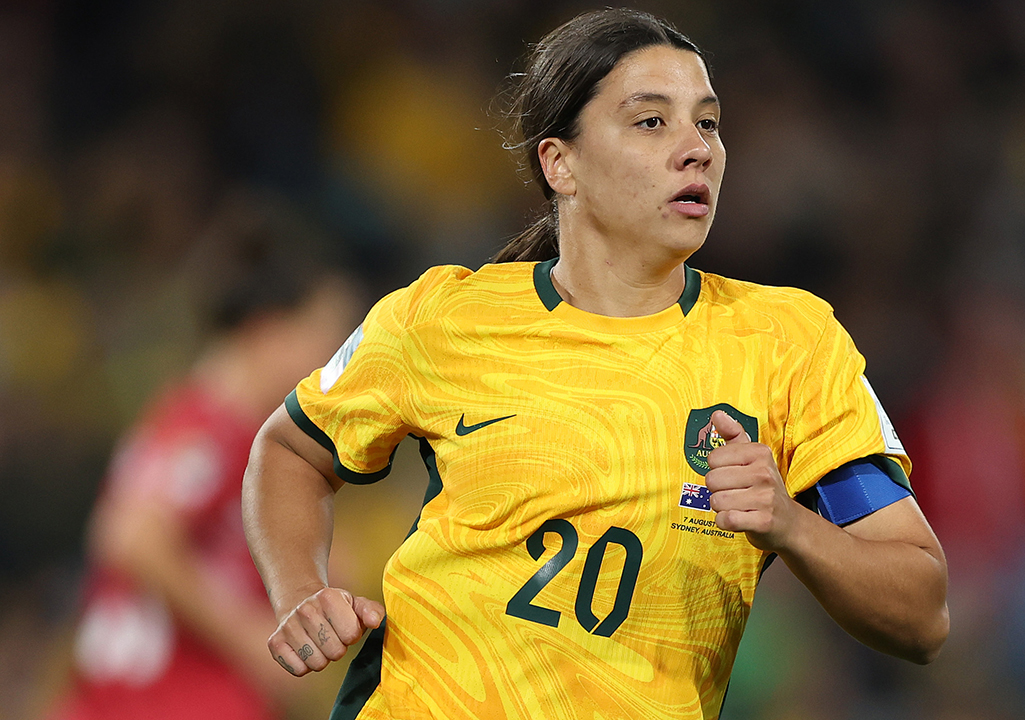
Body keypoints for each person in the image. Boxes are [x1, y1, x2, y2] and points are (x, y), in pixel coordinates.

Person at [242, 9, 949, 720]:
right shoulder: (445, 314)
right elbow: (290, 449)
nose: (697, 149)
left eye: (708, 123)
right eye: (651, 122)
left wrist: (793, 526)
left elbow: (923, 613)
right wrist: (302, 592)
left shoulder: (790, 341)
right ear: (561, 163)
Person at [50, 194, 360, 720]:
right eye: (325, 338)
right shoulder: (206, 428)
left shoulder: (238, 434)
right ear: (267, 331)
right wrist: (246, 634)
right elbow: (131, 536)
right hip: (163, 699)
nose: (336, 365)